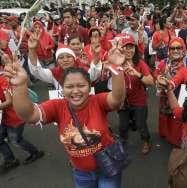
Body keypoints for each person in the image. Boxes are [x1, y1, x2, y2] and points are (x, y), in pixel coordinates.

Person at [3, 43, 126, 188]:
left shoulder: (97, 101)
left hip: (108, 166)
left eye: (81, 86)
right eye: (69, 87)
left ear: (89, 86)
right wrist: (20, 86)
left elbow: (117, 99)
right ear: (62, 87)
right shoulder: (57, 106)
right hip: (81, 173)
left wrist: (116, 67)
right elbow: (29, 115)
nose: (75, 91)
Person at [117, 34, 154, 154]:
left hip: (139, 100)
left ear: (135, 49)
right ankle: (122, 141)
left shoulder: (140, 64)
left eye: (131, 47)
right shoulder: (117, 63)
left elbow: (150, 81)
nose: (129, 50)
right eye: (125, 47)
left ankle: (146, 141)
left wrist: (138, 74)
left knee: (140, 124)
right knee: (122, 126)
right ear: (121, 48)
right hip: (123, 101)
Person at [28, 31, 102, 90]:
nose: (65, 60)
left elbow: (94, 74)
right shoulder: (54, 73)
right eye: (61, 58)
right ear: (57, 61)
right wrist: (31, 50)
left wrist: (96, 56)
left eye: (69, 56)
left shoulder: (83, 70)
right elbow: (36, 71)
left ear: (74, 58)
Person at [154, 37, 187, 146]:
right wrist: (159, 78)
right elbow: (156, 73)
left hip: (180, 96)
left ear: (183, 49)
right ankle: (165, 134)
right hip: (165, 96)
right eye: (172, 48)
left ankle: (176, 139)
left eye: (178, 48)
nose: (175, 51)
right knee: (166, 116)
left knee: (177, 118)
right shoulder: (163, 63)